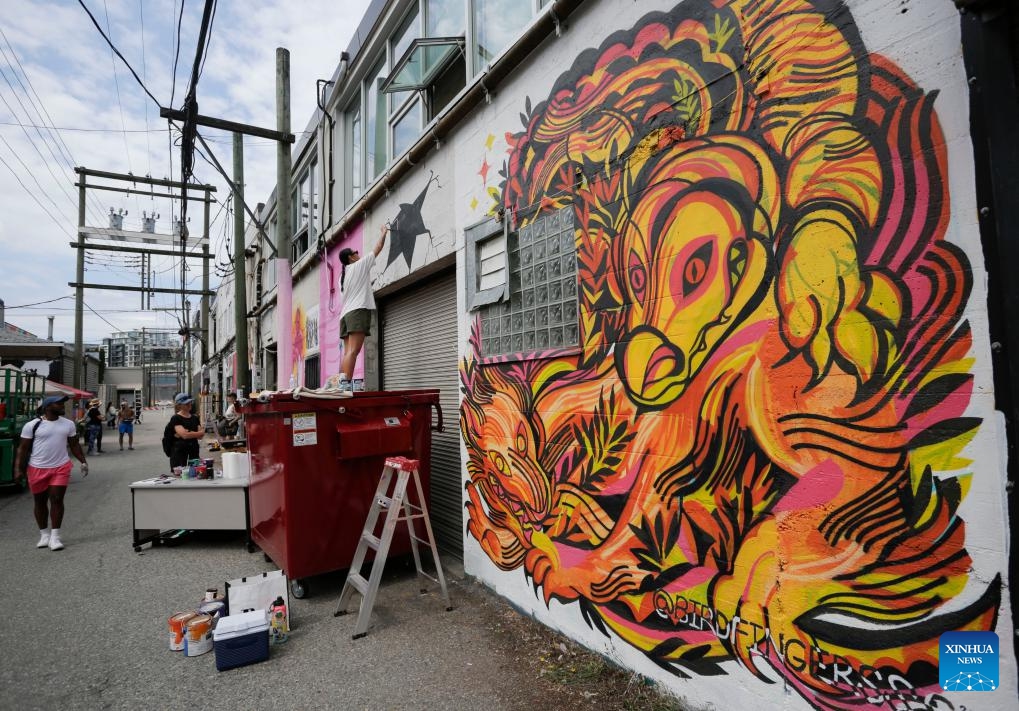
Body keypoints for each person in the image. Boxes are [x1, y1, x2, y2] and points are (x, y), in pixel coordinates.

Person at [14, 395, 88, 551]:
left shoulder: (68, 424)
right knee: (39, 502)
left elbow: (74, 445)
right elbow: (22, 449)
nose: (62, 406)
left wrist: (83, 461)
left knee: (56, 499)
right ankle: (44, 535)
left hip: (60, 467)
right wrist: (18, 469)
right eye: (59, 403)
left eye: (62, 403)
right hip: (37, 468)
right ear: (47, 407)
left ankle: (55, 536)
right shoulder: (32, 425)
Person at [338, 223, 389, 389]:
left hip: (345, 315)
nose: (358, 254)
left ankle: (341, 385)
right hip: (357, 311)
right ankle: (346, 386)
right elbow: (378, 248)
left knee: (347, 352)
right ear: (351, 258)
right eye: (355, 252)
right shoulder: (358, 265)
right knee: (354, 351)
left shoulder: (342, 277)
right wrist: (383, 232)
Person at [167, 393, 204, 469]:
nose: (189, 404)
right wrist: (196, 433)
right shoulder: (176, 418)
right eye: (186, 403)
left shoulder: (195, 418)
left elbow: (201, 436)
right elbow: (185, 435)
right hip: (179, 451)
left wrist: (189, 432)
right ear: (179, 405)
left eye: (189, 402)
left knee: (194, 472)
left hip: (193, 450)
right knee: (180, 474)